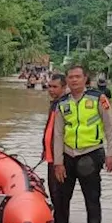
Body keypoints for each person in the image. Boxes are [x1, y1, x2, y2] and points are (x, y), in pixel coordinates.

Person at [52, 65, 112, 223]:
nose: (74, 80)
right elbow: (58, 134)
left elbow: (110, 127)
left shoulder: (99, 98)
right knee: (61, 199)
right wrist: (58, 162)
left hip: (91, 153)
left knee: (92, 198)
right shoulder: (62, 103)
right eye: (70, 77)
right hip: (67, 155)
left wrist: (111, 154)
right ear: (66, 80)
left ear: (85, 78)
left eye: (77, 76)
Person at [41, 73, 67, 207]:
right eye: (49, 86)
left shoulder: (65, 105)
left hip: (59, 157)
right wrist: (45, 148)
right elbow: (50, 128)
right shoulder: (54, 104)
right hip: (50, 155)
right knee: (54, 192)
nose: (50, 90)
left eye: (54, 87)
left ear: (64, 87)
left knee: (59, 193)